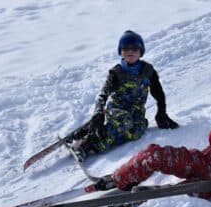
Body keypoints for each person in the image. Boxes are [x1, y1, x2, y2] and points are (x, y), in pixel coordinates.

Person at [96, 85, 211, 198]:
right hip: (201, 161)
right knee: (156, 154)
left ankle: (138, 200)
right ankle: (120, 178)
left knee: (178, 196)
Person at [69, 30, 179, 160]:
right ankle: (87, 144)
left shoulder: (148, 71)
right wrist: (98, 113)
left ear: (141, 51)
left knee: (137, 131)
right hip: (117, 108)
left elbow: (159, 93)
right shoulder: (117, 72)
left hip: (135, 112)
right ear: (120, 51)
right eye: (126, 48)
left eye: (134, 48)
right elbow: (103, 94)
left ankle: (97, 130)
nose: (130, 51)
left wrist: (162, 112)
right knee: (123, 120)